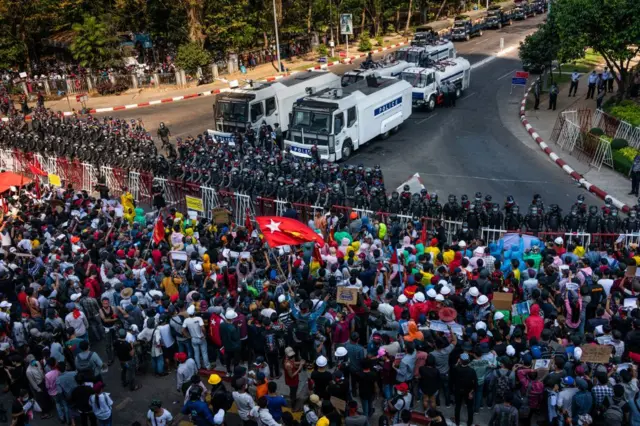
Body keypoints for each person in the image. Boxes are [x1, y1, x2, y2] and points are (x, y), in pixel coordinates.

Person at [451, 353, 477, 426]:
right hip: (468, 391)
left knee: (458, 406)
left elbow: (452, 378)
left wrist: (457, 362)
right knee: (470, 407)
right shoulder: (472, 371)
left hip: (458, 391)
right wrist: (471, 392)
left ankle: (457, 422)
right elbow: (475, 383)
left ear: (460, 360)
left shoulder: (456, 369)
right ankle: (469, 423)